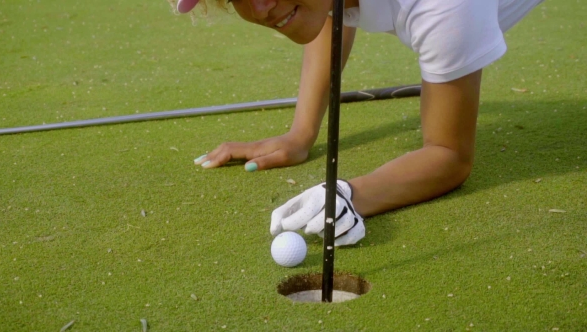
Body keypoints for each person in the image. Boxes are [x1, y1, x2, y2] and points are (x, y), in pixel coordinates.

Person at [172, 0, 544, 245]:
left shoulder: (442, 6)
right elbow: (331, 10)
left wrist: (349, 195)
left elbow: (449, 155)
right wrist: (301, 133)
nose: (262, 6)